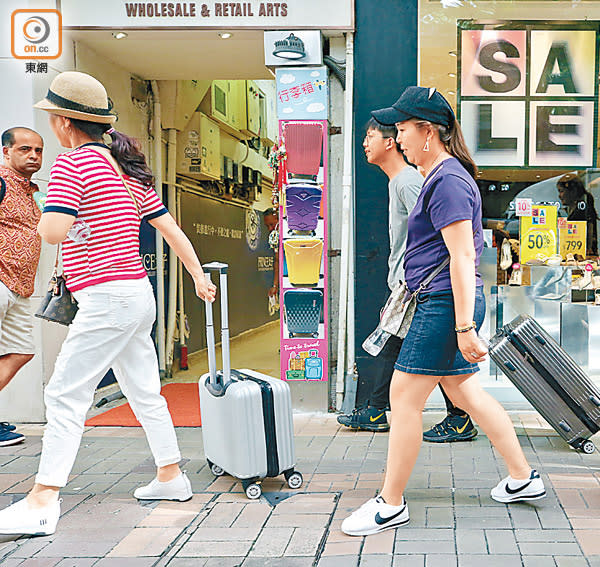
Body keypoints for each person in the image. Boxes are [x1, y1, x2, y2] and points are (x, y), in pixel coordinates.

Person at [0, 71, 216, 536]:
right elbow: (171, 230)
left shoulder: (71, 166)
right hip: (137, 296)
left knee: (63, 393)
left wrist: (49, 221)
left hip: (105, 297)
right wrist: (198, 277)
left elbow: (53, 231)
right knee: (143, 390)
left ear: (63, 123)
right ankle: (170, 475)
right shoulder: (127, 172)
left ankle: (42, 499)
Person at [341, 86, 546, 537]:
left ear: (428, 132)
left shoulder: (448, 181)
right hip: (446, 301)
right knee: (467, 393)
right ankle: (522, 478)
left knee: (404, 399)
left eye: (402, 130)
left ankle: (390, 503)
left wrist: (464, 326)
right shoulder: (442, 176)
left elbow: (463, 257)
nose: (398, 139)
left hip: (443, 304)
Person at [337, 118, 477, 442]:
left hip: (420, 286)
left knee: (418, 350)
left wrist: (414, 281)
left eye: (370, 136)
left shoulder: (409, 182)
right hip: (410, 283)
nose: (364, 143)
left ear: (389, 143)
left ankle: (457, 417)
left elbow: (436, 235)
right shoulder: (398, 181)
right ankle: (380, 410)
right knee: (402, 344)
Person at [0, 127, 44, 447]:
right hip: (1, 281)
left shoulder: (31, 190)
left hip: (20, 287)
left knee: (23, 350)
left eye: (38, 150)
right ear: (6, 152)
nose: (33, 156)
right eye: (24, 149)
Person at [557, 173, 599, 256]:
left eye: (561, 191)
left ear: (572, 191)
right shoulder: (571, 209)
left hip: (581, 253)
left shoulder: (582, 207)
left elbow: (590, 226)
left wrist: (589, 248)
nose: (559, 196)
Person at [263, 207, 279, 299]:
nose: (270, 228)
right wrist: (275, 286)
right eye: (267, 226)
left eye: (272, 224)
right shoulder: (275, 239)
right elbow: (277, 260)